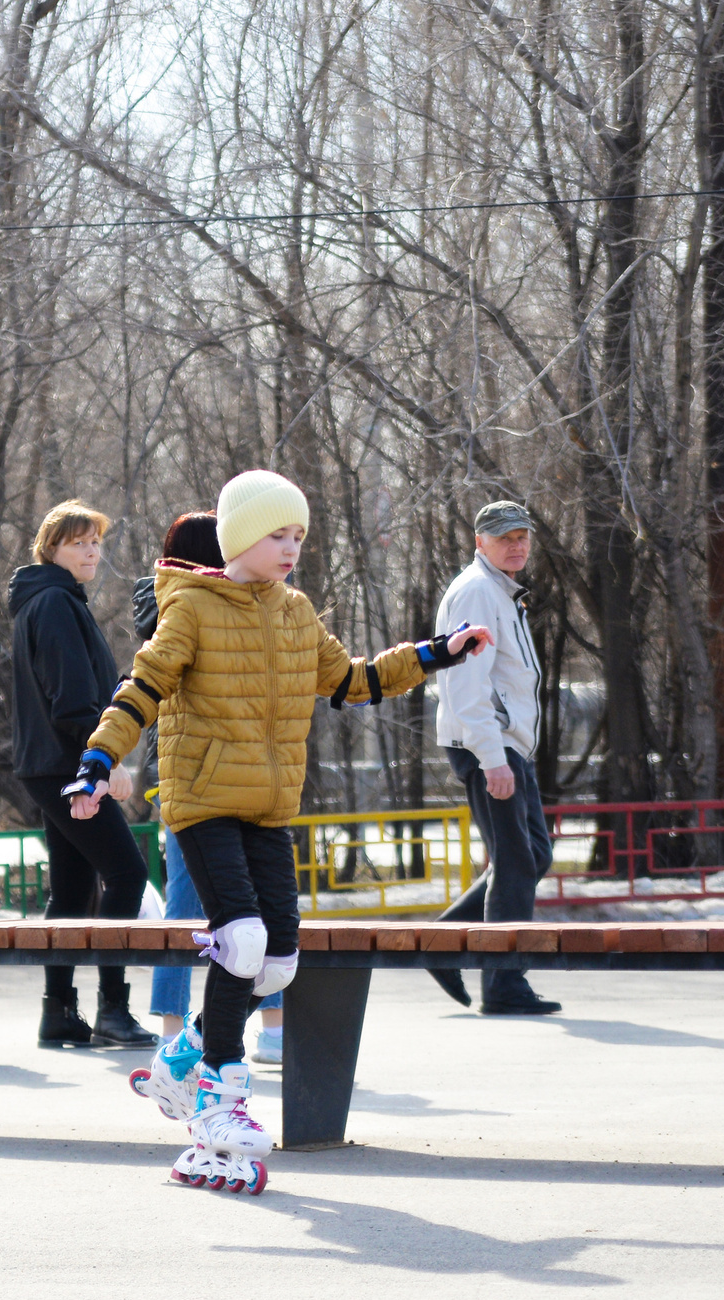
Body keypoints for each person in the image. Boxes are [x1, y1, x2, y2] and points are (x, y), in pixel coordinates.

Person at [68, 470, 490, 1191]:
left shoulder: (295, 611)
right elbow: (143, 686)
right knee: (242, 940)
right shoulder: (193, 608)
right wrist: (99, 759)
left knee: (280, 961)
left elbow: (352, 679)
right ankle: (217, 1099)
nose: (292, 546)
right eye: (277, 534)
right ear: (238, 537)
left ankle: (180, 1062)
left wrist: (435, 653)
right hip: (203, 800)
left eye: (298, 534)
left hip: (269, 804)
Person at [134, 510, 282, 1064]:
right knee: (222, 910)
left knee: (234, 911)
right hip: (199, 782)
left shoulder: (174, 602)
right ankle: (252, 1026)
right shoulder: (188, 609)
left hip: (204, 777)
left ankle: (190, 1027)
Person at [8, 500, 154, 1049]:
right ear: (51, 549)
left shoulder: (51, 601)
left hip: (50, 763)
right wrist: (105, 761)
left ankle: (59, 1013)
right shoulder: (53, 604)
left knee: (70, 890)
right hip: (69, 761)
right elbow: (70, 702)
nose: (91, 550)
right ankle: (112, 1008)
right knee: (126, 874)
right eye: (78, 542)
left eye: (95, 541)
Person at [427, 500, 562, 1015]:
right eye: (505, 537)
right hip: (488, 743)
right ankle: (504, 986)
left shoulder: (501, 592)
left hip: (504, 743)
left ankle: (443, 945)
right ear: (480, 542)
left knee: (530, 856)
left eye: (523, 536)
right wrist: (493, 757)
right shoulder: (478, 593)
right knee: (515, 861)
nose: (517, 545)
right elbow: (465, 685)